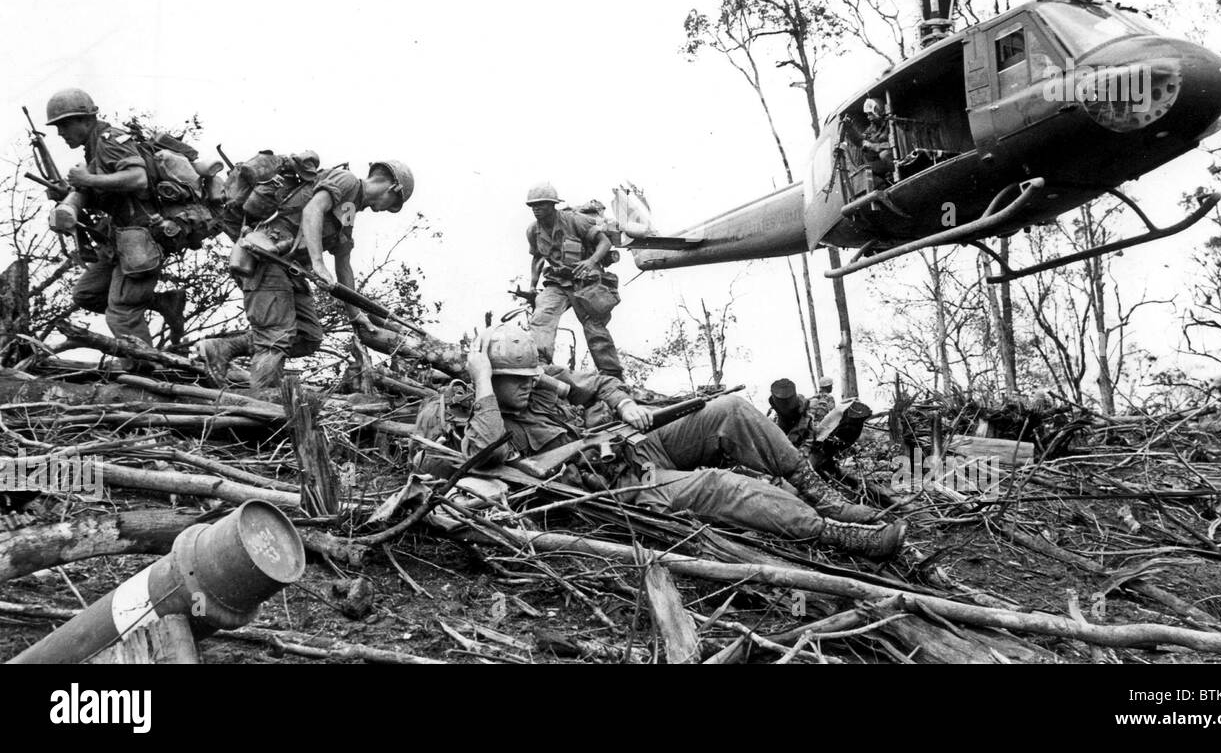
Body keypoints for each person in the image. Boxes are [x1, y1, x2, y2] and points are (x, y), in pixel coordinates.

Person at [461, 325, 907, 559]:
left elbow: (597, 383)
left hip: (627, 447)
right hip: (619, 489)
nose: (526, 385)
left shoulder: (538, 382)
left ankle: (821, 497)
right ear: (489, 376)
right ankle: (837, 534)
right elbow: (483, 456)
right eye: (512, 380)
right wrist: (483, 380)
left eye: (528, 376)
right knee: (720, 486)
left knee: (728, 410)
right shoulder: (484, 411)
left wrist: (623, 404)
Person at [199, 160, 413, 390]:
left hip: (288, 268)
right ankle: (263, 399)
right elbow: (313, 209)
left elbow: (343, 262)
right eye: (393, 203)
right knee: (276, 336)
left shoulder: (350, 208)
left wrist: (355, 314)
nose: (384, 209)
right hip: (267, 258)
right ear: (393, 188)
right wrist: (318, 264)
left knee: (308, 336)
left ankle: (223, 348)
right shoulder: (347, 180)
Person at [44, 89, 187, 346]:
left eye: (64, 125)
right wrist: (68, 195)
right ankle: (164, 303)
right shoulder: (93, 149)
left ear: (85, 120)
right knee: (87, 294)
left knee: (122, 313)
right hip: (120, 237)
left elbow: (138, 178)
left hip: (143, 235)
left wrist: (88, 179)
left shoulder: (109, 140)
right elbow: (107, 193)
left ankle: (146, 369)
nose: (60, 133)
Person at [523, 181, 624, 379]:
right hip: (557, 282)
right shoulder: (533, 230)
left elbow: (605, 242)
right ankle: (540, 366)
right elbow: (537, 258)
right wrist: (532, 287)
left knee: (594, 327)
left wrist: (590, 261)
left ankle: (612, 376)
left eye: (541, 205)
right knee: (542, 316)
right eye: (533, 205)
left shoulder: (575, 221)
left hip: (585, 281)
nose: (536, 209)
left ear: (553, 205)